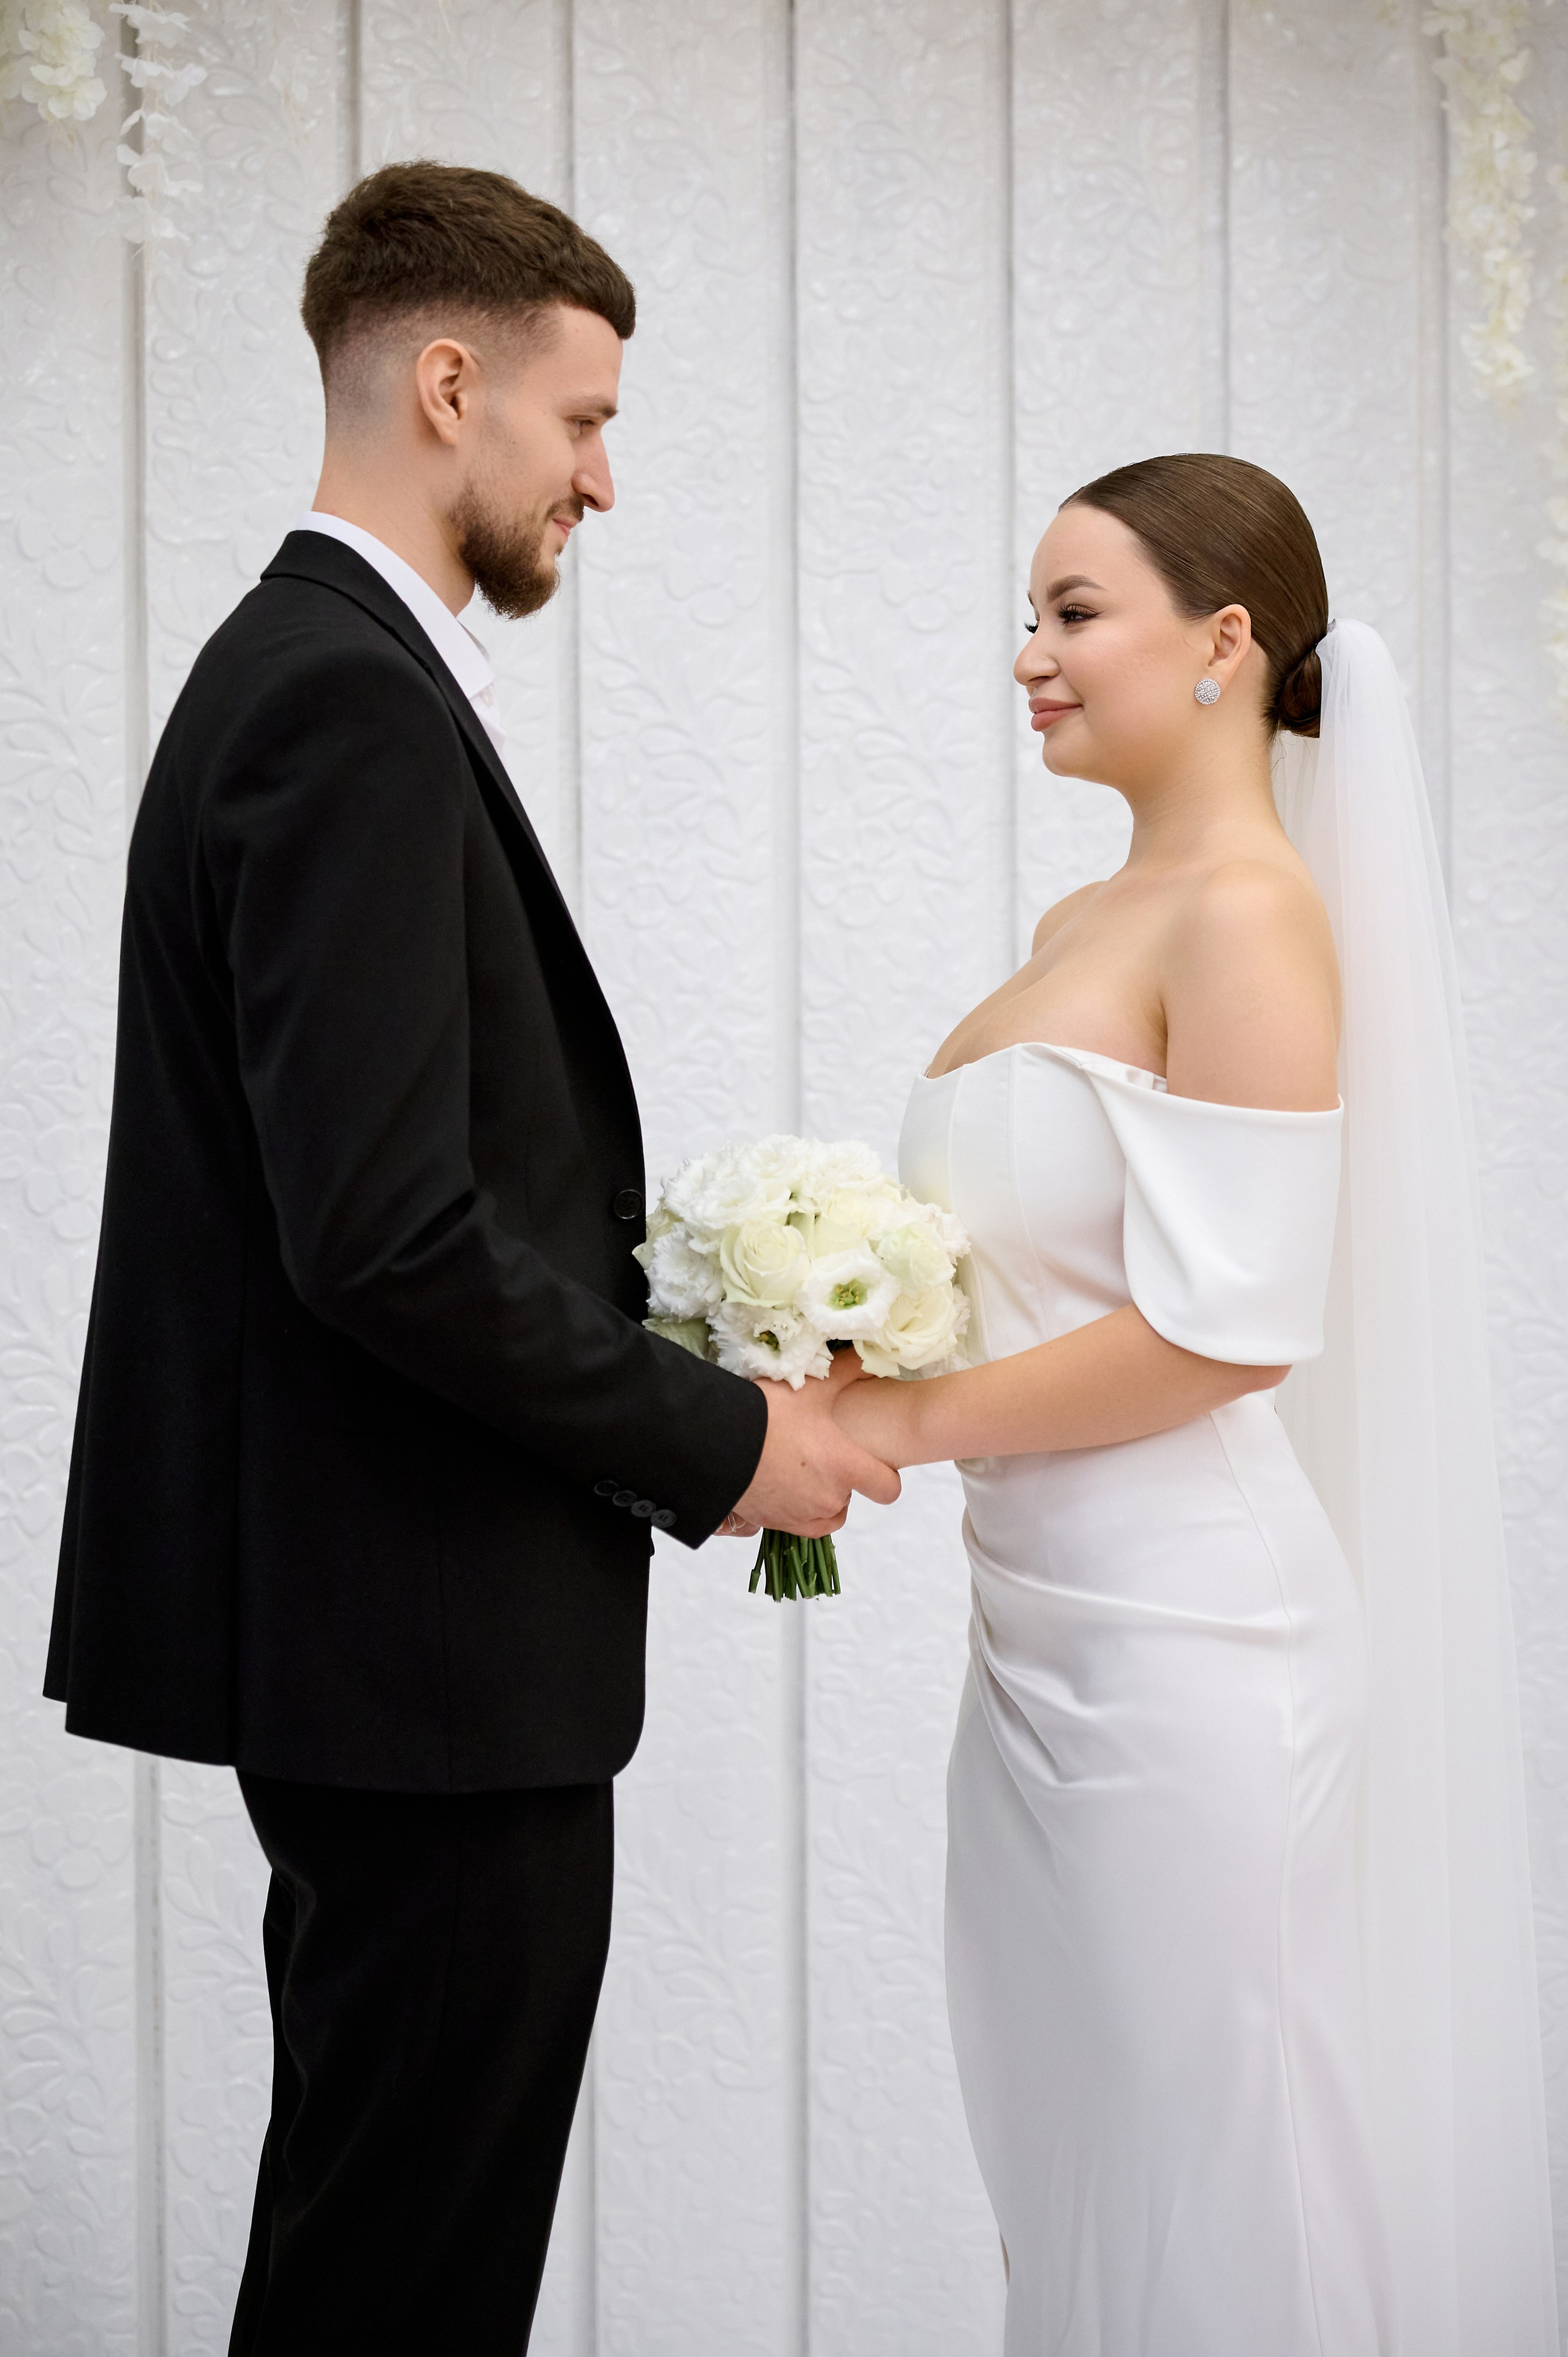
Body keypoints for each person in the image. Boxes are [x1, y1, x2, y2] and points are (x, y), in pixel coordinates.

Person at [42, 161, 896, 2355]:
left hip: (379, 1641)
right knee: (406, 2271)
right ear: (450, 385)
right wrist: (730, 1440)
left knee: (375, 2237)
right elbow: (391, 1235)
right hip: (417, 1658)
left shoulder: (305, 673)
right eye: (583, 419)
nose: (603, 478)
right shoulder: (338, 702)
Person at [831, 455, 1557, 2354]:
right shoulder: (1092, 914)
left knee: (1216, 2167)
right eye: (1032, 615)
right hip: (1039, 1650)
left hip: (1195, 1655)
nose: (1030, 660)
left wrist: (897, 1429)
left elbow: (1232, 1334)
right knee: (1071, 2154)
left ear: (1228, 642)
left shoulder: (1248, 912)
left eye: (1075, 614)